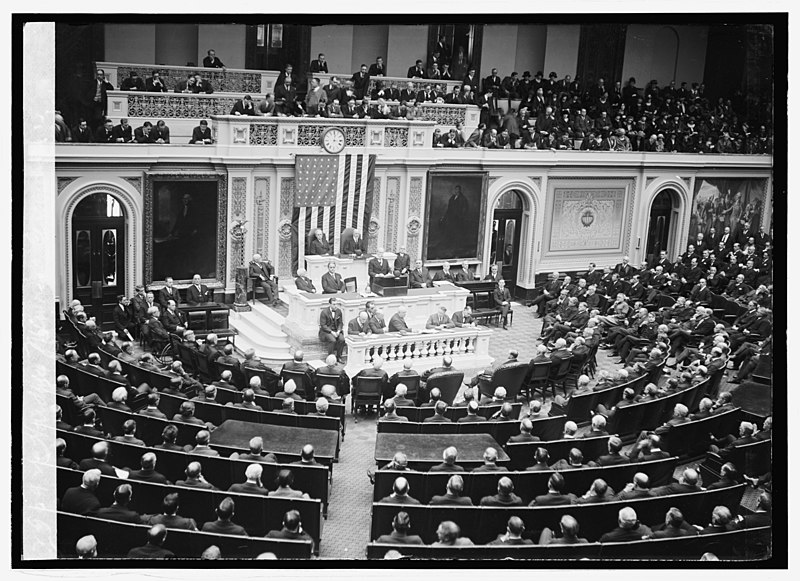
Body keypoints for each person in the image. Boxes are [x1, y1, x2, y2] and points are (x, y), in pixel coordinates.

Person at [319, 297, 345, 362]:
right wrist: (331, 332)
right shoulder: (324, 312)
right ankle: (331, 358)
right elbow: (323, 325)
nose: (335, 306)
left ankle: (339, 357)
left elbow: (340, 323)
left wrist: (338, 331)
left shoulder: (339, 311)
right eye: (334, 304)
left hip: (336, 330)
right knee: (332, 340)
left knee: (342, 339)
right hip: (326, 331)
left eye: (336, 304)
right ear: (330, 304)